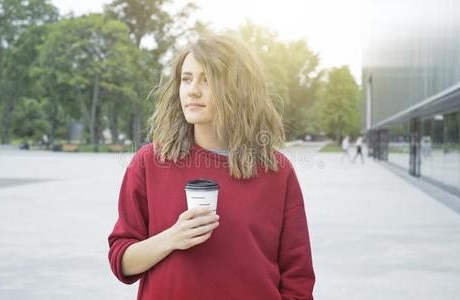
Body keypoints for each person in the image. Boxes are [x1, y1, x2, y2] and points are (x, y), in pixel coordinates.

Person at [107, 33, 315, 299]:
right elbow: (121, 261)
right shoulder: (150, 162)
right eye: (186, 79)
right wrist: (172, 238)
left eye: (207, 79)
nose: (193, 89)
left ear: (238, 89)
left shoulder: (277, 170)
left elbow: (298, 277)